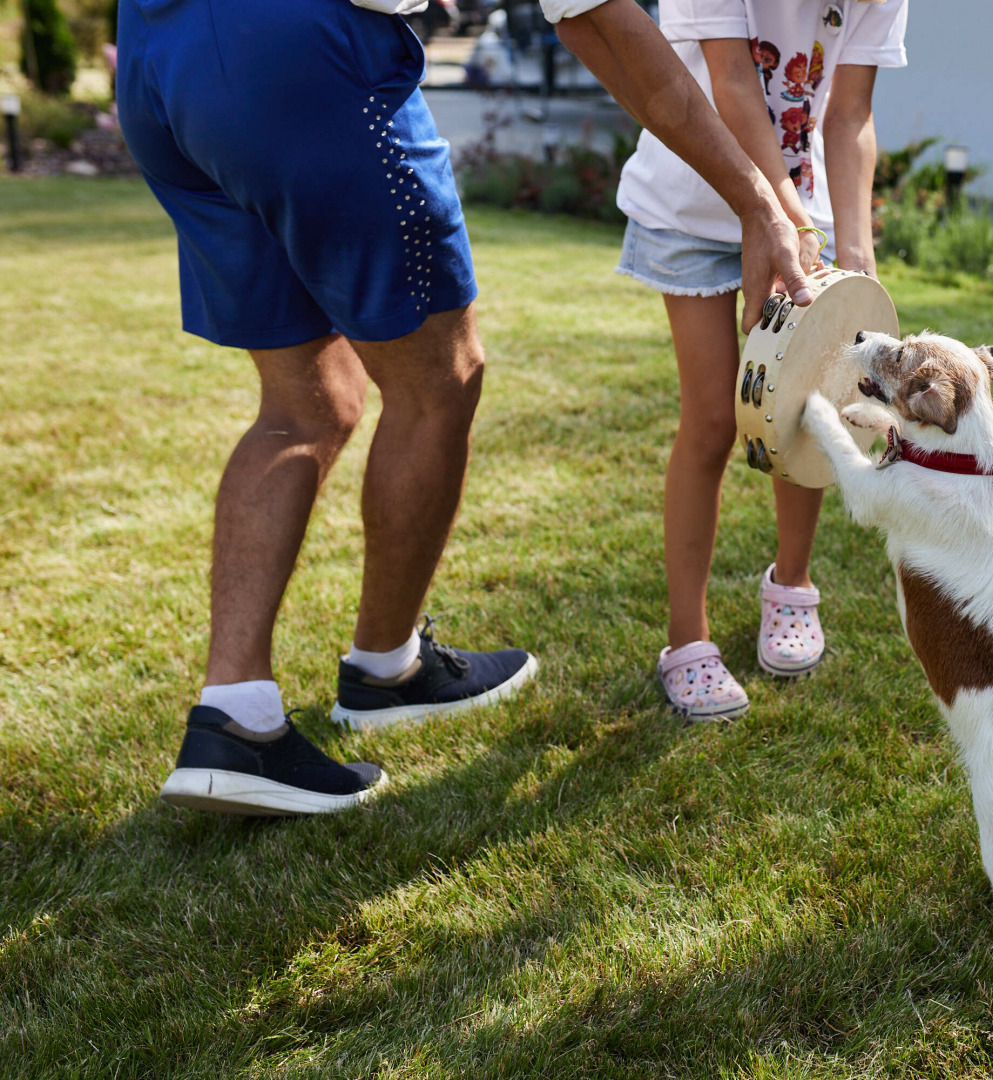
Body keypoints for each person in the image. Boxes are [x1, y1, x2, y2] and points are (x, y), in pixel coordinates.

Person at [119, 0, 818, 814]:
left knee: (304, 404)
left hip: (158, 57)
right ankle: (387, 670)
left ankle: (231, 715)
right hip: (302, 56)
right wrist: (758, 202)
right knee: (437, 378)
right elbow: (595, 18)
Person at [612, 0, 907, 719]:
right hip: (691, 210)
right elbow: (734, 83)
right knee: (714, 421)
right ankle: (687, 640)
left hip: (804, 217)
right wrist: (787, 221)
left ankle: (793, 587)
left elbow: (849, 114)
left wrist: (857, 257)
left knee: (810, 405)